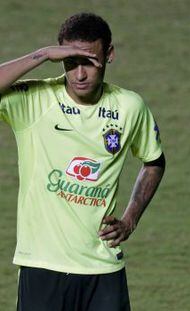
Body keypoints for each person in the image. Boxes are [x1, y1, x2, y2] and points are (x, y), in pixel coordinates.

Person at [0, 12, 165, 310]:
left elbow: (154, 161)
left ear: (109, 55)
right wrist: (41, 55)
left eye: (88, 61)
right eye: (70, 62)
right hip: (42, 266)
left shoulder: (129, 107)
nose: (79, 74)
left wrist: (130, 220)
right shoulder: (34, 100)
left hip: (103, 268)